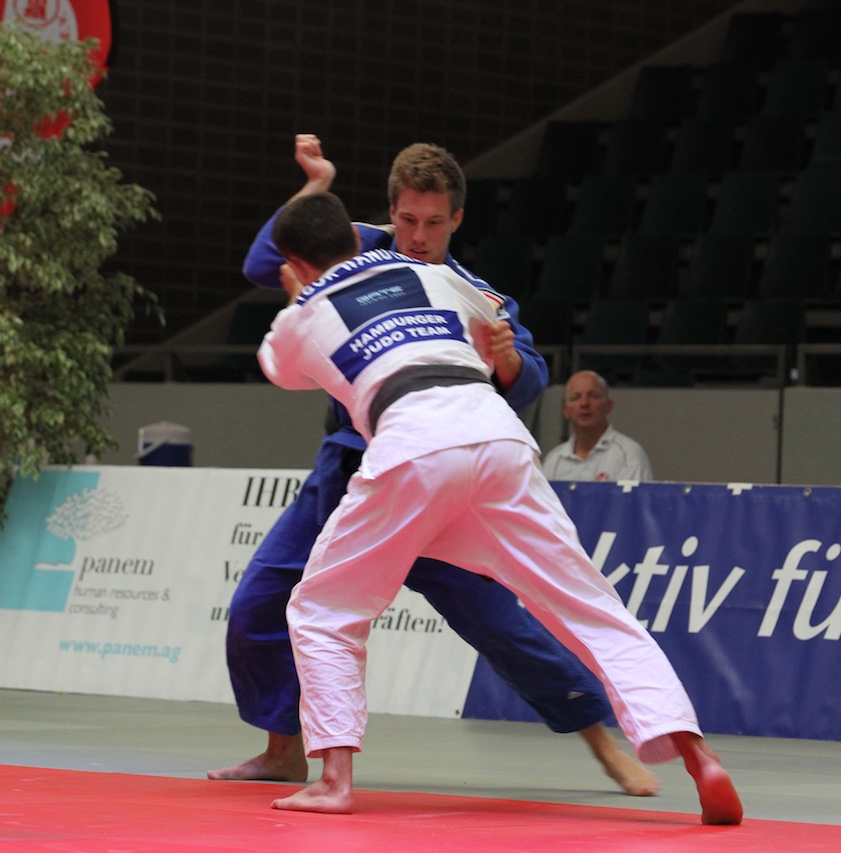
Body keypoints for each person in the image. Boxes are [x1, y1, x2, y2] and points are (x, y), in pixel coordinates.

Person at [257, 190, 742, 825]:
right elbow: (492, 327)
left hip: (411, 446)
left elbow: (284, 372)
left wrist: (299, 296)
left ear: (297, 262)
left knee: (323, 608)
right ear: (355, 238)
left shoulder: (302, 314)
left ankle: (334, 780)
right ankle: (698, 754)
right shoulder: (430, 273)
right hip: (499, 440)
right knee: (590, 605)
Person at [211, 137, 660, 798]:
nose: (418, 237)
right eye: (407, 221)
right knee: (257, 603)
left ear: (457, 220)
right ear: (390, 214)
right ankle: (285, 751)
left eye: (433, 222)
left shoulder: (474, 293)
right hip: (347, 475)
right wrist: (317, 186)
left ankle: (602, 741)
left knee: (497, 622)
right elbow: (263, 262)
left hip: (438, 481)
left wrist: (505, 358)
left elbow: (530, 381)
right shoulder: (357, 247)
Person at [541, 370, 653, 482]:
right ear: (565, 411)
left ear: (608, 406)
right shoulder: (553, 461)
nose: (584, 403)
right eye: (576, 397)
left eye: (593, 396)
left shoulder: (629, 455)